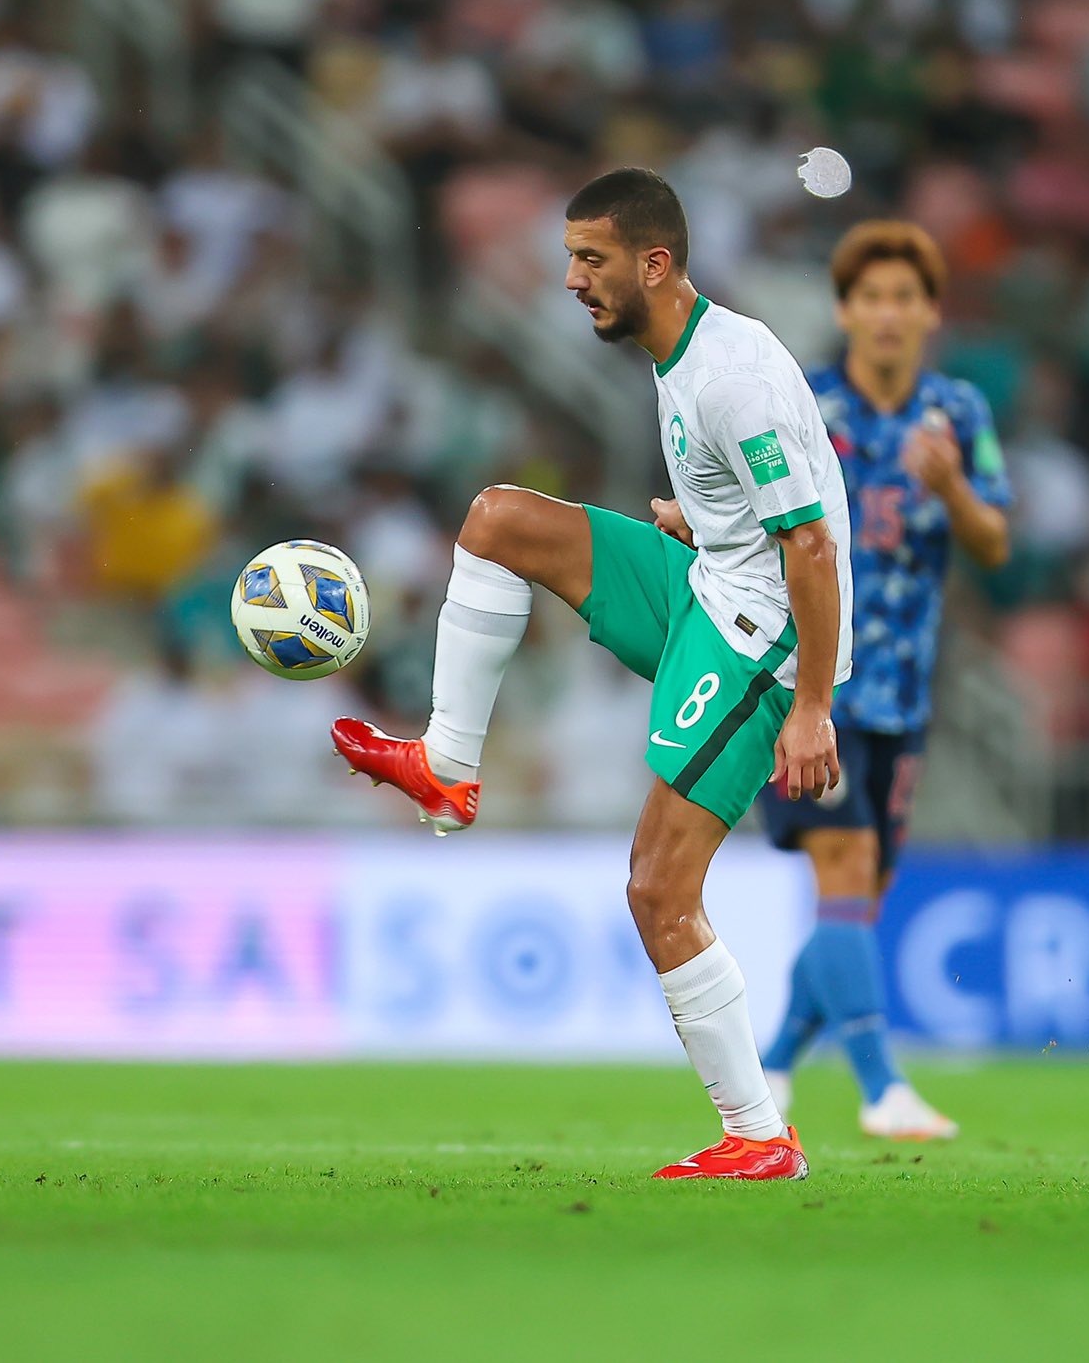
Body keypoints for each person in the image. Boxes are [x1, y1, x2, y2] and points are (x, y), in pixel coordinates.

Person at [333, 168, 853, 1181]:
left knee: (658, 889)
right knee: (499, 520)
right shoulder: (686, 352)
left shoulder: (730, 378)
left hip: (761, 638)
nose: (571, 280)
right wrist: (703, 519)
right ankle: (446, 765)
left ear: (654, 264)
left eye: (589, 259)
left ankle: (759, 1134)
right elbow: (779, 504)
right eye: (570, 256)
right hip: (708, 579)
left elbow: (811, 545)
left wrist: (812, 706)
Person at [755, 221, 1011, 1140]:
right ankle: (880, 1089)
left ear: (932, 312)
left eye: (906, 297)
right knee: (845, 871)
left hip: (903, 693)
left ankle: (772, 1067)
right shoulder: (802, 405)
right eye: (872, 297)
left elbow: (996, 542)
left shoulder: (960, 414)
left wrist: (954, 490)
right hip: (806, 690)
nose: (889, 314)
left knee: (856, 901)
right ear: (845, 310)